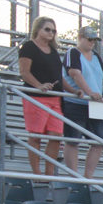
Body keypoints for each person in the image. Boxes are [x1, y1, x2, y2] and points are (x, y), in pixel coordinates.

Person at [62, 26, 103, 178]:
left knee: (99, 140)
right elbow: (74, 73)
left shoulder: (96, 56)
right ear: (80, 38)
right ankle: (74, 176)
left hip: (95, 104)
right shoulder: (73, 53)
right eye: (89, 39)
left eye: (94, 40)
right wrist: (89, 92)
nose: (92, 42)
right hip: (76, 102)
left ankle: (88, 177)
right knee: (73, 139)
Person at [17, 16, 65, 176]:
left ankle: (49, 173)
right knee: (36, 135)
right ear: (37, 29)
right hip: (36, 97)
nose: (51, 33)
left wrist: (73, 90)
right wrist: (39, 85)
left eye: (53, 30)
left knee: (56, 135)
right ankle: (37, 173)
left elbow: (59, 76)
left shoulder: (54, 51)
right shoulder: (29, 47)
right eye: (47, 29)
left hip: (55, 98)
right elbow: (24, 72)